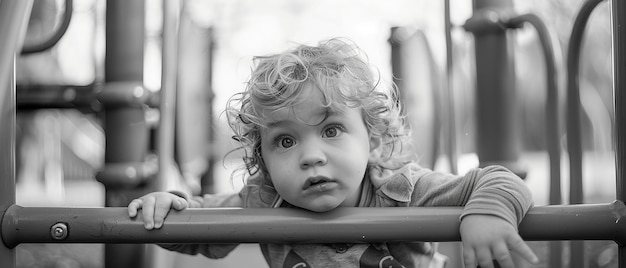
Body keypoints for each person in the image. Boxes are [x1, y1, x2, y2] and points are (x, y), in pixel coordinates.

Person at [127, 38, 539, 268]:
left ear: (373, 141)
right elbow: (202, 231)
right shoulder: (265, 198)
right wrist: (167, 208)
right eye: (285, 141)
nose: (311, 156)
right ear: (263, 161)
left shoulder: (401, 189)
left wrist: (487, 212)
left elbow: (499, 180)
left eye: (332, 130)